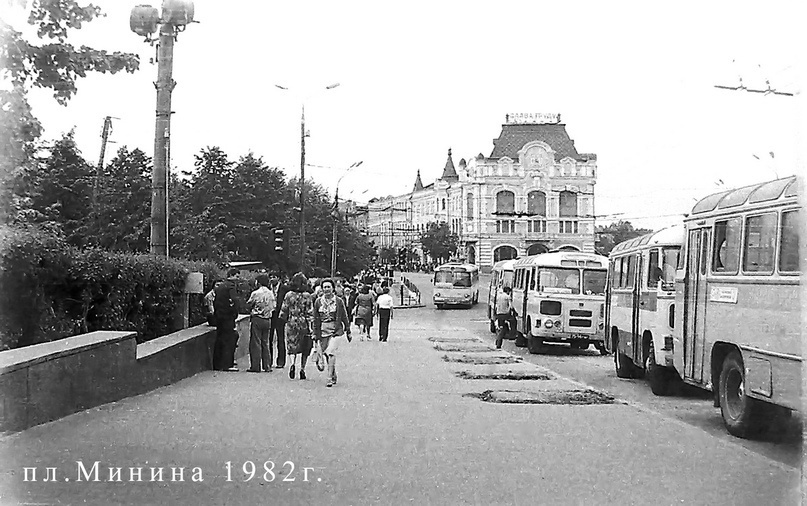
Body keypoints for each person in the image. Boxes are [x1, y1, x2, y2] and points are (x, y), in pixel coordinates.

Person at [313, 278, 352, 387]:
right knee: (326, 353)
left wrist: (348, 330)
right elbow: (315, 318)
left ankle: (329, 378)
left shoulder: (339, 301)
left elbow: (344, 316)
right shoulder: (318, 301)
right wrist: (315, 334)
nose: (326, 289)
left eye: (328, 287)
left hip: (336, 330)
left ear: (333, 288)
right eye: (324, 287)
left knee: (331, 352)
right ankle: (333, 374)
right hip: (323, 330)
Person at [279, 272, 315, 380]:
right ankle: (302, 369)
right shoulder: (307, 296)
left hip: (291, 322)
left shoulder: (289, 295)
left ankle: (292, 364)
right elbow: (310, 311)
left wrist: (284, 320)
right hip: (303, 323)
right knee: (305, 346)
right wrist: (311, 325)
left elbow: (283, 310)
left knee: (291, 345)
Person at [247, 273, 275, 373]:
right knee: (265, 342)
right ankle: (267, 366)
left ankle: (256, 366)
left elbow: (249, 304)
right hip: (267, 320)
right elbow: (273, 306)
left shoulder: (255, 293)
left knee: (256, 343)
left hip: (257, 318)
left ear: (258, 282)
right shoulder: (271, 293)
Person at [213, 269, 240, 371]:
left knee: (220, 339)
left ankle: (218, 364)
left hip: (220, 317)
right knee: (229, 340)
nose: (238, 279)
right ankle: (227, 364)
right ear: (231, 275)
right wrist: (234, 312)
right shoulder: (231, 286)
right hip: (228, 317)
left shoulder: (221, 286)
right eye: (236, 276)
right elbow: (235, 301)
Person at [269, 274, 288, 368]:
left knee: (281, 338)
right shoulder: (268, 288)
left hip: (280, 316)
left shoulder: (284, 288)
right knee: (269, 338)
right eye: (270, 277)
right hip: (270, 315)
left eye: (274, 277)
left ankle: (281, 361)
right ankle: (269, 360)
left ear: (278, 278)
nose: (272, 279)